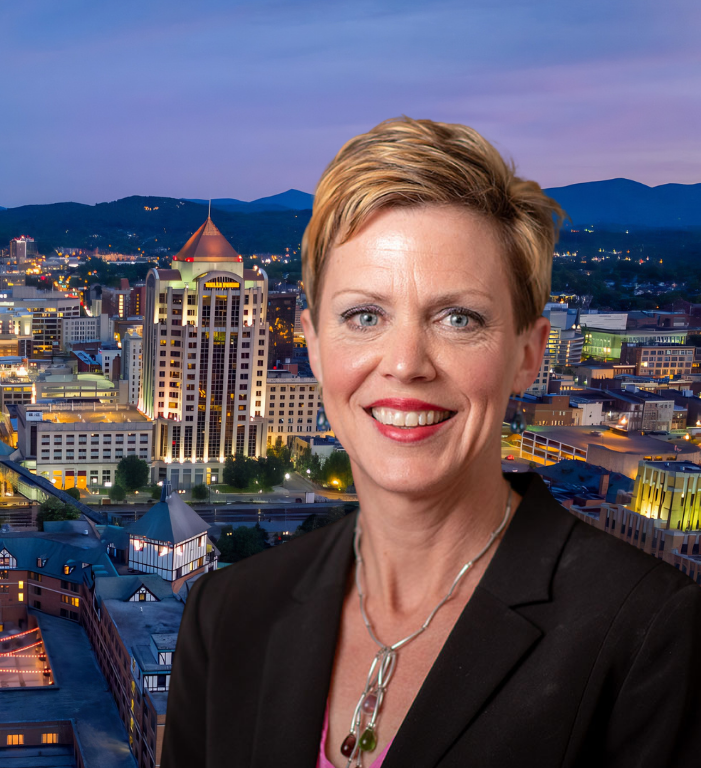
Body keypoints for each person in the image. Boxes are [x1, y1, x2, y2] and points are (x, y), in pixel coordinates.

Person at [160, 117, 701, 767]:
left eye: (458, 318)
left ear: (529, 355)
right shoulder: (227, 614)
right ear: (314, 344)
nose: (406, 363)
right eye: (365, 315)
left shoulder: (649, 636)